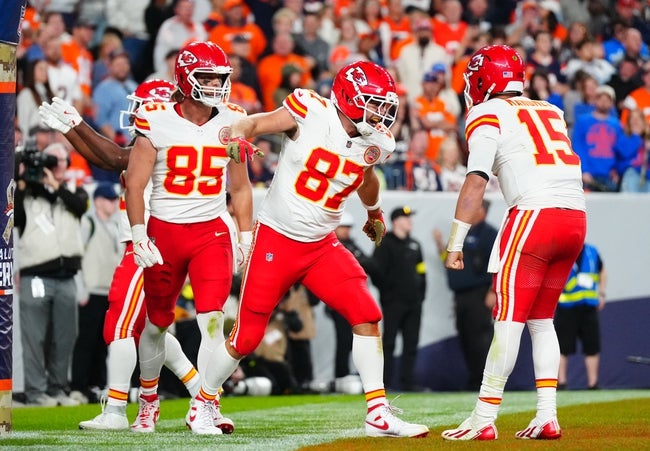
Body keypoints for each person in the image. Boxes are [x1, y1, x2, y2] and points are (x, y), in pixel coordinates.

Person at [194, 60, 429, 438]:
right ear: (349, 98)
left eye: (385, 106)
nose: (381, 113)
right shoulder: (310, 110)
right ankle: (204, 402)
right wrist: (237, 134)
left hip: (322, 245)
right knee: (246, 337)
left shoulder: (376, 141)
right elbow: (254, 123)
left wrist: (373, 211)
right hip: (277, 238)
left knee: (367, 314)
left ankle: (377, 413)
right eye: (375, 103)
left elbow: (366, 176)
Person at [38, 78, 234, 432]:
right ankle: (199, 393)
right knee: (149, 328)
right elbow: (110, 157)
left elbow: (112, 157)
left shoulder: (163, 138)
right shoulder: (168, 134)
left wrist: (76, 125)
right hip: (158, 240)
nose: (135, 115)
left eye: (142, 107)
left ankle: (116, 409)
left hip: (149, 242)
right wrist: (73, 128)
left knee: (121, 324)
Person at [440, 44, 586, 441]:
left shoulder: (486, 112)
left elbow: (476, 180)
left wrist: (455, 242)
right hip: (575, 218)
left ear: (483, 80)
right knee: (542, 321)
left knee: (508, 319)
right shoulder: (551, 109)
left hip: (534, 217)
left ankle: (483, 418)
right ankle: (547, 415)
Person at [124, 40, 254, 435]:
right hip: (165, 231)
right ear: (184, 77)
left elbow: (240, 187)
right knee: (157, 323)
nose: (215, 85)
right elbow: (135, 183)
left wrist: (245, 236)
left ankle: (206, 404)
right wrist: (139, 233)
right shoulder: (156, 117)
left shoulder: (233, 119)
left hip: (211, 231)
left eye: (220, 77)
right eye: (206, 77)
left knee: (213, 319)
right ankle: (148, 401)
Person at [15, 142, 88, 406]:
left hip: (67, 276)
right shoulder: (28, 194)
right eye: (51, 160)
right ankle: (36, 392)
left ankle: (58, 389)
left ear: (68, 164)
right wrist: (22, 178)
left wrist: (54, 186)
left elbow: (79, 207)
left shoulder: (76, 192)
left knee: (64, 338)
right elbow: (16, 217)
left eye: (60, 160)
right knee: (34, 337)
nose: (55, 165)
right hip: (36, 276)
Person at [433, 199, 497, 391]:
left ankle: (484, 382)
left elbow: (498, 264)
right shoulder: (463, 232)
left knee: (479, 338)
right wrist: (439, 244)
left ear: (482, 211)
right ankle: (473, 379)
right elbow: (449, 260)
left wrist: (493, 291)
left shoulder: (489, 234)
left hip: (479, 294)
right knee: (466, 337)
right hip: (460, 296)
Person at [69, 182, 122, 404]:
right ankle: (78, 386)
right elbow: (77, 257)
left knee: (103, 343)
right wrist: (81, 289)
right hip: (91, 292)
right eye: (109, 199)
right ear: (98, 201)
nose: (113, 203)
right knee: (86, 341)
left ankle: (97, 385)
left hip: (109, 294)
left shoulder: (115, 226)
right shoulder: (87, 223)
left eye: (114, 199)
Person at [371, 206, 426, 392]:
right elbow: (376, 272)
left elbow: (421, 271)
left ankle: (407, 382)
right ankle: (384, 383)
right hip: (394, 303)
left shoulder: (415, 244)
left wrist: (421, 296)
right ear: (396, 221)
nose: (410, 221)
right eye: (405, 218)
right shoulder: (384, 244)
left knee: (411, 342)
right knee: (389, 343)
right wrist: (388, 294)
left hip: (414, 303)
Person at [328, 212, 376, 383]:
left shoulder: (351, 245)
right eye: (343, 227)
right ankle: (341, 375)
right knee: (344, 340)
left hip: (354, 300)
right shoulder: (329, 246)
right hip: (338, 301)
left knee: (356, 340)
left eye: (348, 227)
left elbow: (370, 264)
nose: (346, 231)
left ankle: (349, 374)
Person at [555, 243, 606, 390]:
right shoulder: (561, 252)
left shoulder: (592, 251)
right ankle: (561, 383)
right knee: (561, 347)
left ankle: (593, 383)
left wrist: (602, 293)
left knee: (592, 345)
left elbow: (602, 272)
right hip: (566, 307)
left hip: (588, 306)